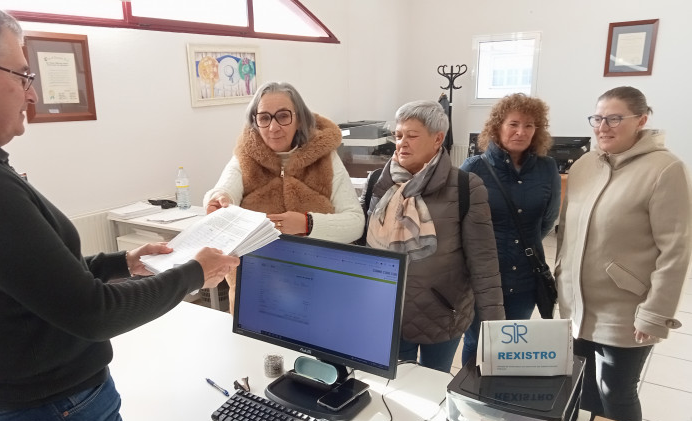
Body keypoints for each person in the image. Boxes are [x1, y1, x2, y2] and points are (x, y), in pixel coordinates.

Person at [0, 1, 240, 421]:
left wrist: (119, 263)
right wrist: (194, 274)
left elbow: (27, 278)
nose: (31, 95)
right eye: (23, 75)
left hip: (13, 404)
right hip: (48, 415)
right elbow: (92, 313)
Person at [556, 86, 691, 421]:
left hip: (626, 308)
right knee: (584, 388)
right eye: (598, 118)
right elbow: (567, 233)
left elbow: (675, 249)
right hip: (578, 305)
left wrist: (656, 313)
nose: (603, 126)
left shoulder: (665, 169)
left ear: (641, 120)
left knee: (615, 390)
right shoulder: (585, 163)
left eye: (615, 118)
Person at [364, 100, 504, 372]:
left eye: (412, 136)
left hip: (443, 314)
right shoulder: (378, 183)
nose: (402, 143)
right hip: (388, 313)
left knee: (435, 389)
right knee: (395, 389)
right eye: (399, 135)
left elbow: (484, 262)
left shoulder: (465, 187)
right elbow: (361, 248)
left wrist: (494, 327)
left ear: (437, 139)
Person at [204, 81, 364, 310]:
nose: (273, 127)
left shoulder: (326, 159)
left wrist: (307, 223)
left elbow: (355, 222)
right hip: (254, 289)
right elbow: (223, 190)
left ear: (298, 119)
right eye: (264, 118)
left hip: (315, 287)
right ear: (255, 121)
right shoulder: (244, 157)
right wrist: (217, 199)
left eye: (283, 116)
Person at [459, 93, 560, 366]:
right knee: (477, 342)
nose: (521, 131)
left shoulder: (547, 168)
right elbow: (461, 224)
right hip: (484, 278)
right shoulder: (474, 168)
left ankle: (498, 402)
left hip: (526, 277)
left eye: (529, 125)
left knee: (510, 345)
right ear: (497, 126)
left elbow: (548, 220)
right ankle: (468, 399)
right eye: (513, 124)